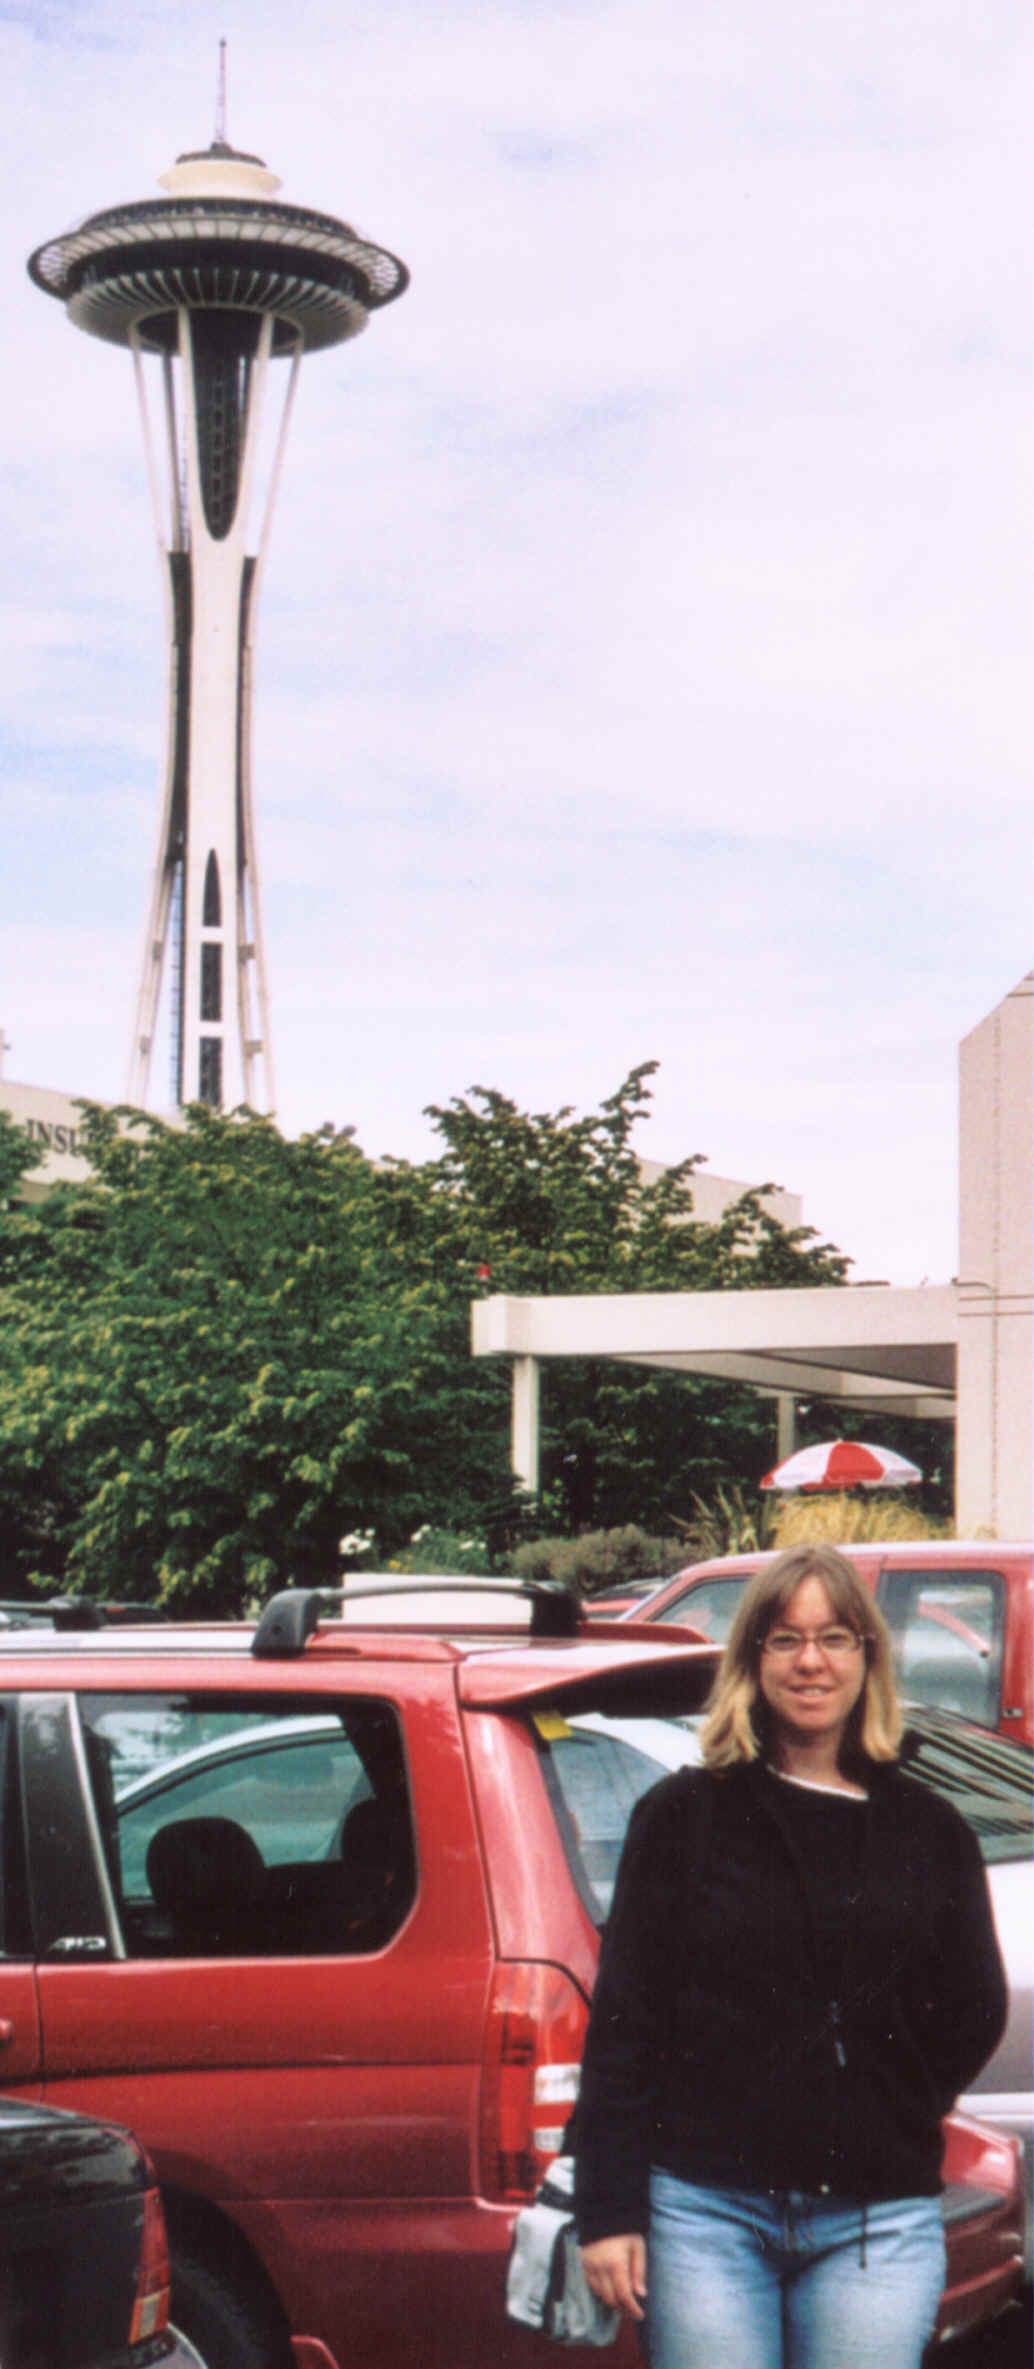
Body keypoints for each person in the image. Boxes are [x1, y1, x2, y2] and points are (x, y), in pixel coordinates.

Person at [574, 1543, 1007, 2369]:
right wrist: (608, 2210)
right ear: (752, 1661)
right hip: (704, 2216)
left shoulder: (929, 1829)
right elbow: (625, 2028)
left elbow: (972, 2009)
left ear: (867, 1658)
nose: (811, 1660)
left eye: (836, 1636)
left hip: (874, 2220)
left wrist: (880, 2090)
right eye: (786, 1638)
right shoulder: (680, 1817)